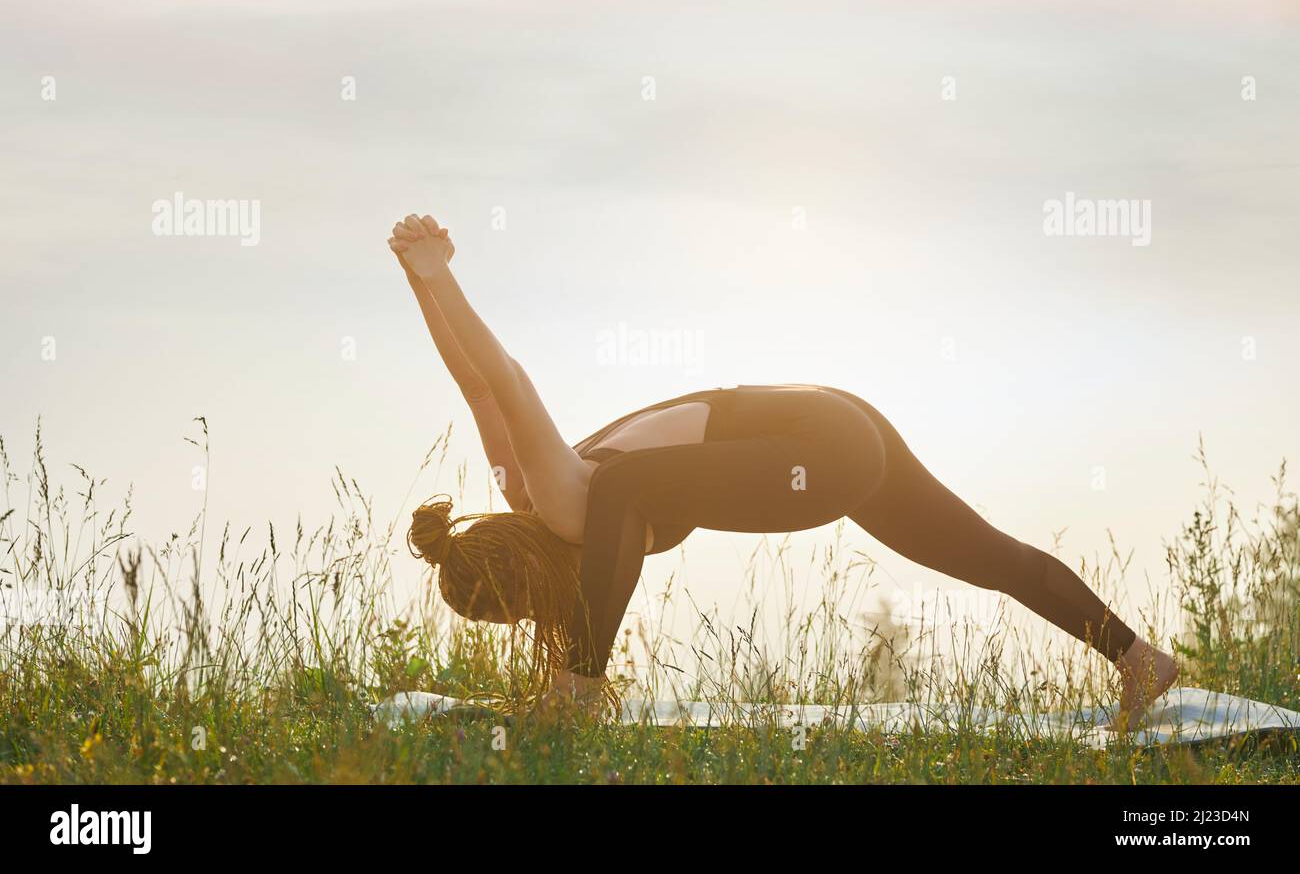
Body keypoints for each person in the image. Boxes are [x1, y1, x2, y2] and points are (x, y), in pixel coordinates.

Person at [387, 213, 1178, 731]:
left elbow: (509, 379)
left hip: (821, 449)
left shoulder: (562, 502)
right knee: (984, 555)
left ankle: (580, 693)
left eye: (518, 612)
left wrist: (439, 274)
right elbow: (477, 386)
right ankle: (1139, 661)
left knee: (627, 488)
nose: (531, 621)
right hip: (831, 425)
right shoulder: (532, 488)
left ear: (523, 576)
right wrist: (422, 278)